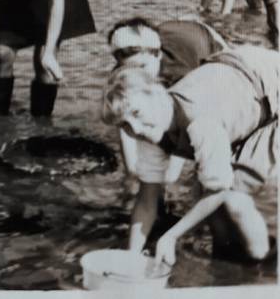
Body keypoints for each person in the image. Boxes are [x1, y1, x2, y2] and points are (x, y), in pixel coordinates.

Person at [102, 45, 279, 265]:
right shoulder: (150, 129)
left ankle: (261, 268)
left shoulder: (201, 122)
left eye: (137, 113)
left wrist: (171, 236)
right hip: (233, 88)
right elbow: (147, 200)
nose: (135, 130)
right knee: (207, 203)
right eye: (125, 126)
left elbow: (218, 188)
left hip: (269, 88)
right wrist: (132, 259)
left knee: (234, 199)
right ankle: (224, 265)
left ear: (156, 92)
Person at [107, 17, 229, 193]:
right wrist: (131, 174)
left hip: (205, 40)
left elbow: (182, 129)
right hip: (168, 31)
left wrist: (167, 181)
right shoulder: (125, 72)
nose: (138, 73)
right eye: (129, 68)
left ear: (158, 56)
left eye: (142, 66)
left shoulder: (181, 76)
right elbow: (125, 122)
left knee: (207, 146)